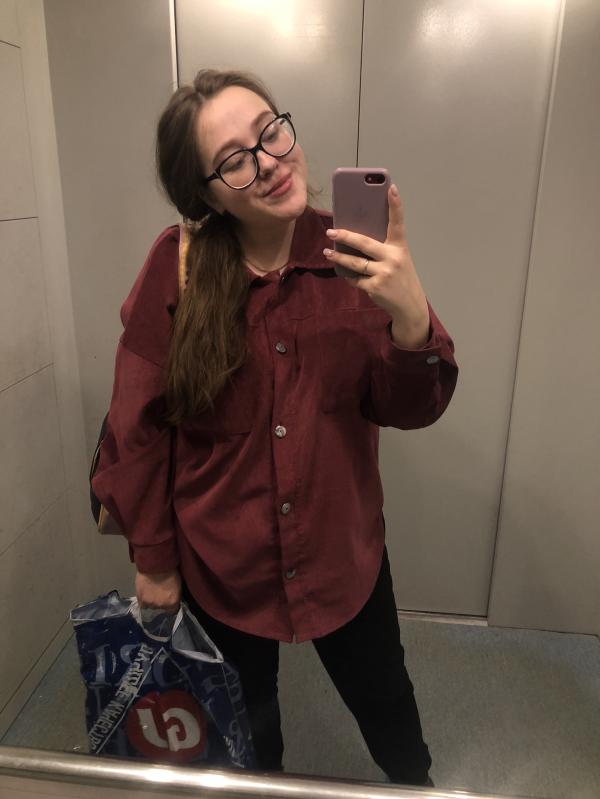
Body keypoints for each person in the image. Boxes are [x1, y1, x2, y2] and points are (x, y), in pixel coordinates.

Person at [91, 68, 458, 787]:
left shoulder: (355, 255)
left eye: (271, 132)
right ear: (206, 194)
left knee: (390, 710)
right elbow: (138, 427)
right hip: (222, 567)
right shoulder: (175, 267)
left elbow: (411, 408)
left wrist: (411, 316)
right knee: (248, 731)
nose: (267, 161)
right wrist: (155, 561)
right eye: (234, 158)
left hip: (343, 556)